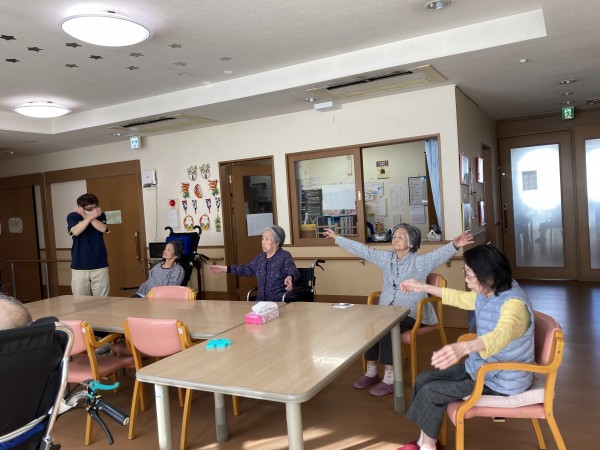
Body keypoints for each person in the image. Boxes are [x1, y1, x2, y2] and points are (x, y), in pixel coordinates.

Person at [396, 244, 534, 450]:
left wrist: (463, 348)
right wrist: (423, 287)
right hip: (484, 368)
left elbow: (499, 336)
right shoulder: (490, 293)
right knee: (424, 380)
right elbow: (459, 298)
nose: (466, 280)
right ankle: (425, 441)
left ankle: (428, 446)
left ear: (488, 276)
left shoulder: (514, 306)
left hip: (502, 381)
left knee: (432, 392)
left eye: (469, 275)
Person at [323, 224, 473, 396]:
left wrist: (455, 244)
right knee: (369, 325)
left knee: (387, 328)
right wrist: (337, 238)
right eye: (394, 236)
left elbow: (438, 255)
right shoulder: (386, 258)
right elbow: (363, 250)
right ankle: (371, 372)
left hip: (411, 312)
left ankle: (389, 379)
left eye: (401, 237)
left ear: (411, 243)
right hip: (386, 311)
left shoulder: (420, 262)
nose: (395, 239)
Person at [209, 226, 299, 301]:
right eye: (262, 239)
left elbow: (293, 270)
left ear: (277, 242)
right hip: (261, 302)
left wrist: (290, 277)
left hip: (280, 301)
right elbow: (246, 269)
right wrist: (225, 269)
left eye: (267, 239)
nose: (263, 242)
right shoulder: (261, 257)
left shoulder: (284, 256)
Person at [67, 193, 110, 296]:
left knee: (102, 301)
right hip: (79, 266)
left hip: (100, 265)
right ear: (80, 208)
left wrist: (88, 216)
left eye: (95, 207)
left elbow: (103, 229)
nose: (94, 211)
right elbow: (76, 231)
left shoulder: (101, 215)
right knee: (81, 301)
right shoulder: (72, 216)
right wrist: (88, 217)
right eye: (90, 209)